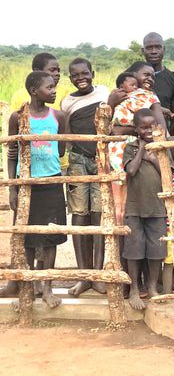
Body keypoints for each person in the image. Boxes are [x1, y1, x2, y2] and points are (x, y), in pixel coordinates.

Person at [6, 71, 67, 308]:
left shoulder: (59, 116)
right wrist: (13, 187)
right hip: (26, 183)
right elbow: (12, 154)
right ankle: (28, 286)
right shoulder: (18, 117)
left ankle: (47, 287)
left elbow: (61, 151)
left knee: (50, 237)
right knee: (27, 239)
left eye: (54, 87)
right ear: (34, 90)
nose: (54, 91)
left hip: (51, 182)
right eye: (49, 87)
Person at [61, 58, 110, 296]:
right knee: (80, 215)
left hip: (101, 160)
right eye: (75, 75)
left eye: (85, 73)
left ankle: (98, 275)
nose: (81, 78)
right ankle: (83, 276)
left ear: (93, 72)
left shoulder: (104, 93)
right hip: (78, 160)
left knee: (99, 215)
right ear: (69, 77)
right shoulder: (67, 101)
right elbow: (67, 134)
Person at [108, 63, 168, 224]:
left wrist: (125, 130)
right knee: (119, 208)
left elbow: (159, 128)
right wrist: (110, 103)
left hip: (142, 153)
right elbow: (108, 128)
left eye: (152, 76)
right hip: (120, 152)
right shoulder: (116, 96)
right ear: (132, 75)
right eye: (145, 74)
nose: (150, 78)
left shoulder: (149, 96)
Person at [122, 109, 169, 310]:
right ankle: (134, 289)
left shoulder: (162, 148)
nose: (148, 130)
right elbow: (131, 171)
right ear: (136, 129)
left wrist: (153, 159)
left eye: (152, 126)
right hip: (134, 207)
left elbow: (168, 175)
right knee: (134, 249)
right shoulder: (131, 147)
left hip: (157, 207)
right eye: (143, 127)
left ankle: (151, 287)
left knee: (156, 250)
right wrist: (142, 150)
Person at [141, 32, 174, 135]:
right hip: (135, 137)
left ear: (164, 49)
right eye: (149, 48)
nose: (154, 51)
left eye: (157, 47)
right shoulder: (130, 77)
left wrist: (172, 141)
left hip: (163, 136)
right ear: (143, 51)